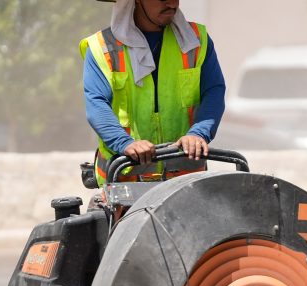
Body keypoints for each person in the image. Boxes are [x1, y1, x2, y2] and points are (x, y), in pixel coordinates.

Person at [81, 0, 225, 186]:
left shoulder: (198, 40)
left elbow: (214, 91)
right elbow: (96, 104)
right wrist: (124, 143)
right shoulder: (102, 47)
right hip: (124, 184)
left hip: (185, 183)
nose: (172, 3)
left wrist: (198, 133)